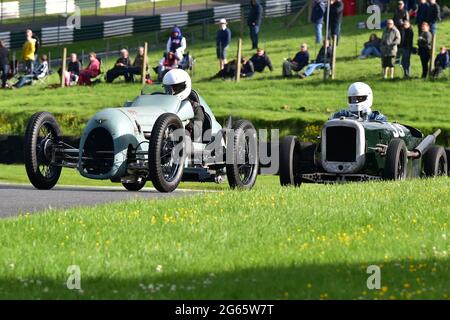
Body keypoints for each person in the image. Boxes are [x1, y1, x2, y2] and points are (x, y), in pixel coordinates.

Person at [162, 69, 204, 142]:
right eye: (168, 89)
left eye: (176, 88)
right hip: (160, 142)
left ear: (185, 86)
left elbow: (197, 133)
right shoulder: (163, 105)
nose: (171, 92)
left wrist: (186, 122)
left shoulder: (195, 108)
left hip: (186, 146)